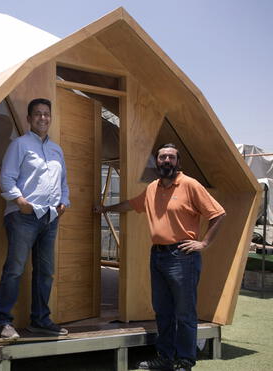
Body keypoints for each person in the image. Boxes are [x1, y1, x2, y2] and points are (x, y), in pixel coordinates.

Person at [94, 143, 226, 370]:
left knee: (184, 311)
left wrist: (203, 242)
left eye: (171, 158)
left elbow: (218, 214)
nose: (166, 161)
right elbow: (132, 204)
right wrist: (106, 209)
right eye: (162, 157)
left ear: (178, 162)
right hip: (158, 256)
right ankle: (164, 357)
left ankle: (184, 360)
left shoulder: (189, 185)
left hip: (182, 257)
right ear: (157, 162)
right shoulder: (153, 187)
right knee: (163, 310)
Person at [0, 98, 70, 340]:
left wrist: (64, 202)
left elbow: (64, 183)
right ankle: (4, 321)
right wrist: (20, 202)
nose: (42, 118)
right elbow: (6, 178)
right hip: (23, 217)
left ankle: (40, 320)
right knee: (15, 270)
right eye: (37, 114)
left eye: (46, 114)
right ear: (29, 119)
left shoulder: (57, 149)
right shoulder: (20, 145)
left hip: (50, 218)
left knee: (45, 271)